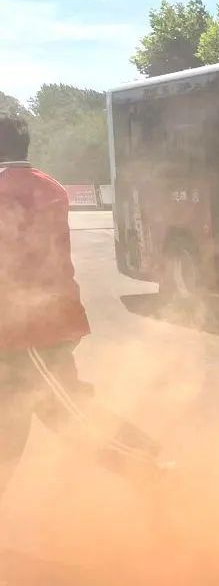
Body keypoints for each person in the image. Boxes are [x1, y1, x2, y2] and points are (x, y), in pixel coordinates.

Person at [0, 113, 166, 499]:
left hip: (28, 331)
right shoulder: (46, 185)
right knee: (12, 419)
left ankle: (154, 471)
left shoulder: (7, 191)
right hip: (41, 320)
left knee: (65, 411)